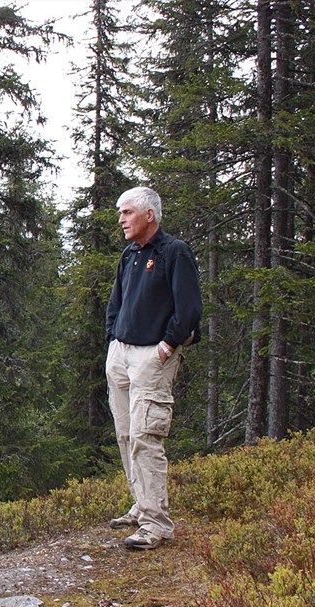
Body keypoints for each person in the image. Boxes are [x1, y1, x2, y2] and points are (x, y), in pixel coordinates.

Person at [105, 186, 202, 550]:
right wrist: (114, 339)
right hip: (122, 354)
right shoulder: (130, 255)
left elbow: (189, 307)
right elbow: (116, 301)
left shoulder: (174, 252)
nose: (121, 220)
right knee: (127, 435)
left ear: (149, 215)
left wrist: (166, 346)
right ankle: (141, 505)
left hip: (152, 356)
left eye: (127, 212)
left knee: (146, 437)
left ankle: (156, 524)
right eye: (120, 213)